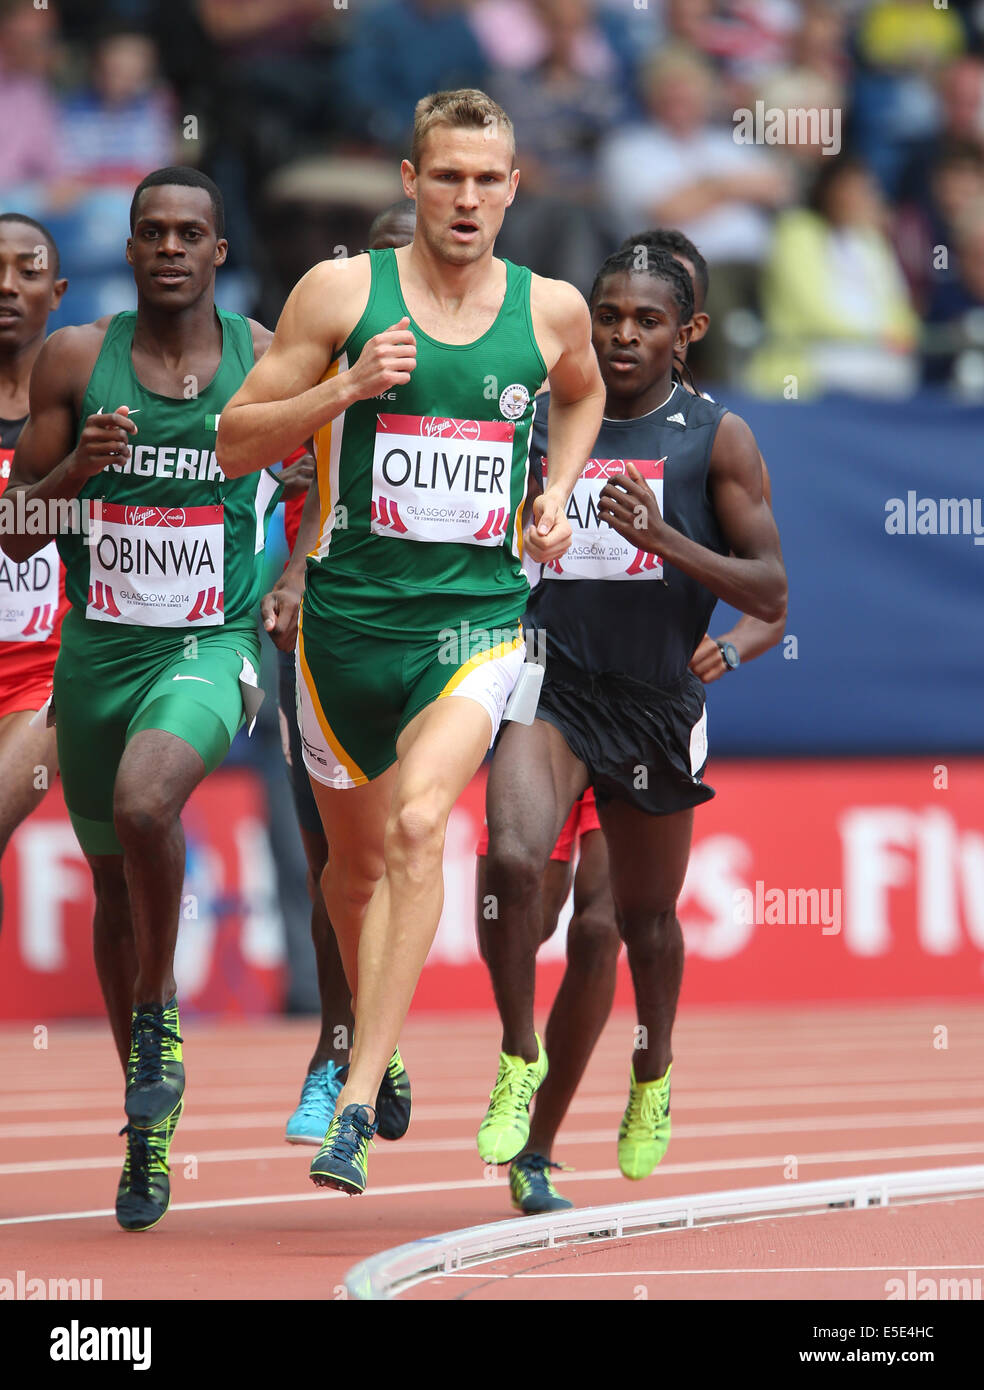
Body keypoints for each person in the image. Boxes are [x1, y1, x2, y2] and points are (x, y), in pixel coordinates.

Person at [217, 87, 605, 1196]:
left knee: (424, 823)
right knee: (351, 873)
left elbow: (577, 397)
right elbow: (236, 439)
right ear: (411, 182)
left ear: (515, 187)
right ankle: (373, 1049)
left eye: (489, 180)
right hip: (343, 634)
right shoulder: (342, 292)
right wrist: (347, 386)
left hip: (475, 628)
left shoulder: (551, 310)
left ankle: (352, 1100)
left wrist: (557, 491)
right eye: (449, 177)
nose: (469, 198)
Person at [476, 227, 787, 1212]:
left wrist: (666, 543)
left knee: (630, 924)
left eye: (645, 321)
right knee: (513, 862)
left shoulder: (716, 435)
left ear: (684, 334)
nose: (620, 335)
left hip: (654, 706)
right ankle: (517, 1057)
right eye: (607, 315)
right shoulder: (548, 418)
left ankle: (648, 1072)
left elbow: (773, 590)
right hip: (555, 687)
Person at [5, 167, 286, 1233]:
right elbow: (16, 529)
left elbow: (328, 476)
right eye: (152, 232)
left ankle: (159, 1013)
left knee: (146, 802)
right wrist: (78, 466)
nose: (170, 247)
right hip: (98, 655)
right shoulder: (78, 357)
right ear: (129, 251)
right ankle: (147, 1131)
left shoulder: (263, 357)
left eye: (191, 233)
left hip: (211, 644)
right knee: (112, 895)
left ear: (218, 251)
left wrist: (295, 570)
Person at [266, 200, 418, 1147]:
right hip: (328, 629)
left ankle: (371, 1051)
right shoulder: (328, 349)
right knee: (333, 859)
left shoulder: (493, 359)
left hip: (445, 636)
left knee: (413, 835)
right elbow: (281, 473)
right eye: (387, 258)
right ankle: (347, 1049)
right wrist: (288, 575)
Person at [0, 214, 68, 927]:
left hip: (45, 675)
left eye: (26, 270)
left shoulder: (84, 397)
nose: (6, 287)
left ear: (58, 289)